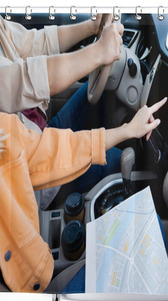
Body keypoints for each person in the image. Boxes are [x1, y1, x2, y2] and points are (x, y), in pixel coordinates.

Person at [0, 97, 167, 293]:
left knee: (146, 224)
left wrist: (127, 130)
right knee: (148, 228)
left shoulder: (5, 130)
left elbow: (49, 150)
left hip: (34, 272)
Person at [0, 14, 127, 206]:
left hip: (41, 131)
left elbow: (34, 43)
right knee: (119, 159)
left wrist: (92, 26)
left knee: (96, 94)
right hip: (37, 170)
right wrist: (99, 52)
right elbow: (22, 80)